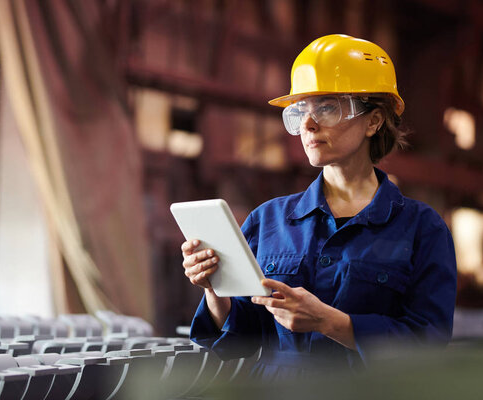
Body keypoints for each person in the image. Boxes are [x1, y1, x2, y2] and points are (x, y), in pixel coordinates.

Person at [181, 34, 457, 378]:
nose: (308, 125)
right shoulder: (268, 221)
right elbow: (243, 339)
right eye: (300, 111)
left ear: (373, 121)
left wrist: (331, 323)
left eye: (327, 107)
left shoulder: (422, 228)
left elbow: (427, 345)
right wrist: (214, 289)